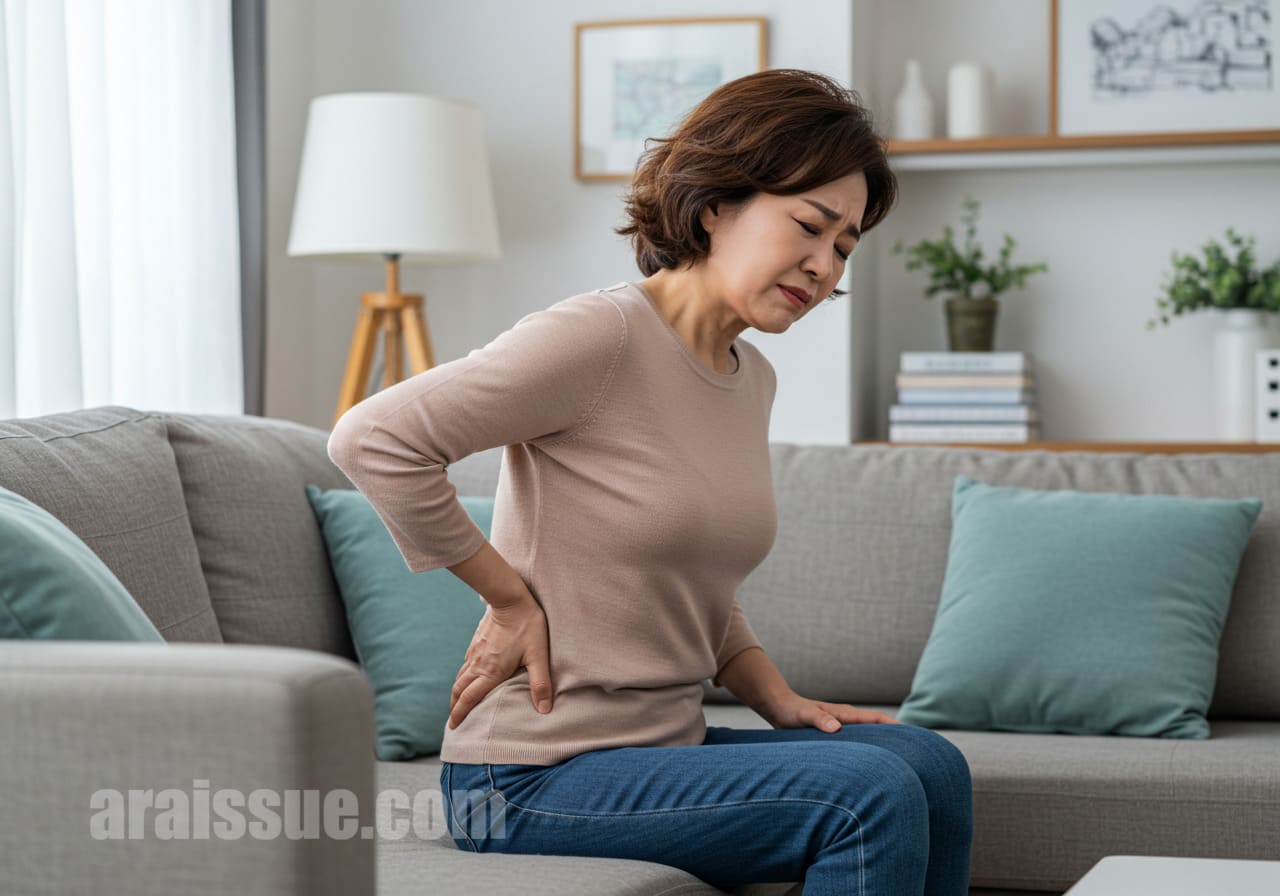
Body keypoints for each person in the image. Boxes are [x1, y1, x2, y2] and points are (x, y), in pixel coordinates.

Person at [328, 68, 972, 895]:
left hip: (661, 747)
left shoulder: (750, 379)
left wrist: (773, 694)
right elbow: (374, 438)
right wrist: (508, 598)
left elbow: (691, 566)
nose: (822, 266)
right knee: (866, 796)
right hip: (526, 777)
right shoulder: (600, 336)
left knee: (930, 764)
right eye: (808, 226)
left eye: (844, 247)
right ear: (716, 206)